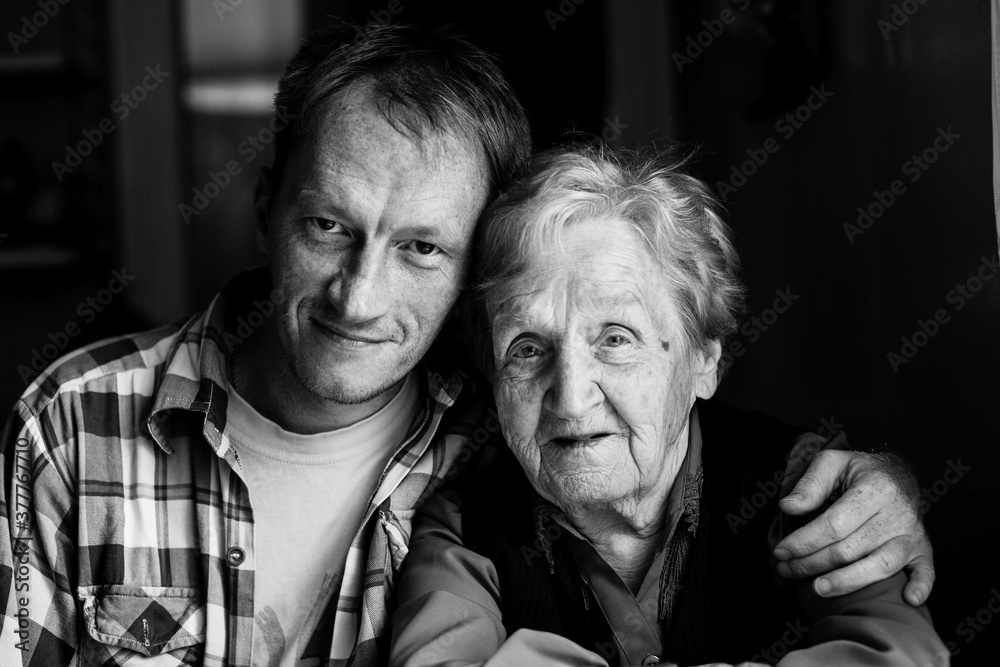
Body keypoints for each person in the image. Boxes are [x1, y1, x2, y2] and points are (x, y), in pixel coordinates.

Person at [0, 21, 931, 667]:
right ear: (264, 212)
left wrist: (882, 485)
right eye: (327, 225)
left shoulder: (507, 430)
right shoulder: (74, 427)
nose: (359, 295)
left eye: (421, 248)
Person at [389, 145, 948, 667]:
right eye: (528, 349)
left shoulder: (803, 485)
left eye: (615, 339)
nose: (571, 396)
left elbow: (897, 655)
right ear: (492, 371)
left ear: (703, 360)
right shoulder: (461, 529)